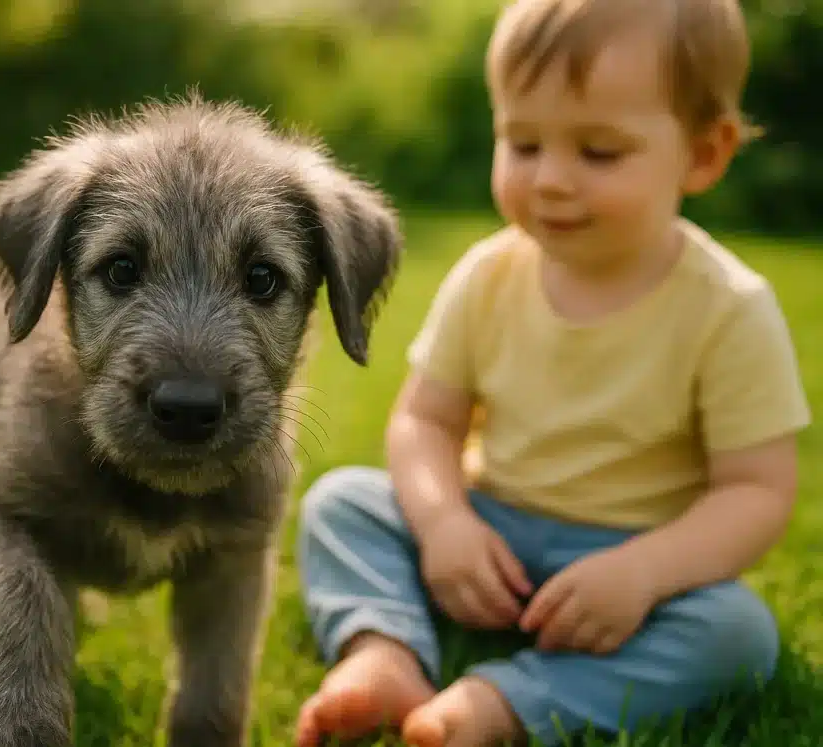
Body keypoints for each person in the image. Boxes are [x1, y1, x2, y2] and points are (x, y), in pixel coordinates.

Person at [292, 0, 813, 745]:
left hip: (629, 554)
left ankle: (506, 701)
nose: (550, 180)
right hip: (490, 526)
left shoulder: (728, 308)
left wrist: (642, 573)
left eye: (598, 152)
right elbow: (424, 420)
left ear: (703, 154)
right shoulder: (488, 276)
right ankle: (384, 653)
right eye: (524, 143)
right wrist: (445, 524)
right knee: (343, 504)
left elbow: (756, 491)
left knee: (736, 632)